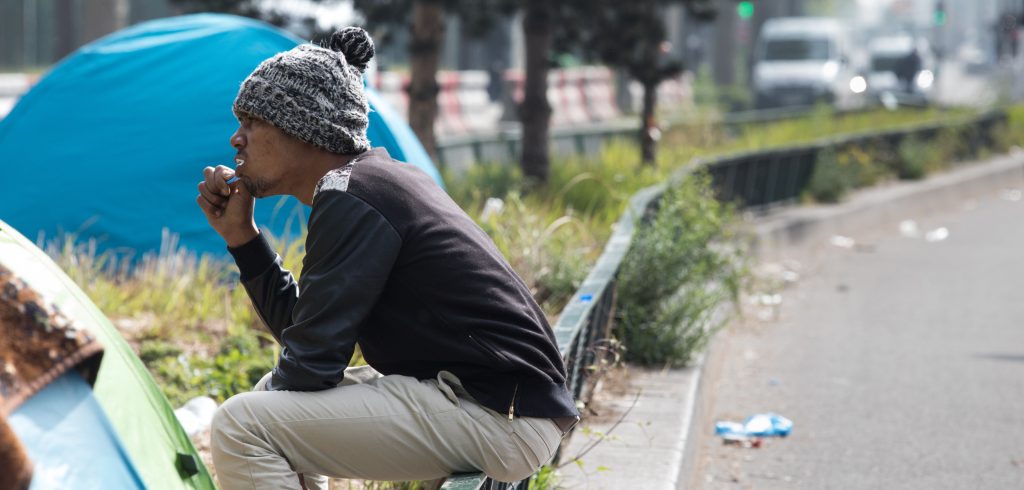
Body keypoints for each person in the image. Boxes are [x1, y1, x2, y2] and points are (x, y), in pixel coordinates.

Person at [194, 27, 579, 490]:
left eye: (252, 122)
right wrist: (243, 238)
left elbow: (311, 362)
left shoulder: (352, 195)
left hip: (499, 414)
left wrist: (295, 372)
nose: (237, 139)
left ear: (303, 127)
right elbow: (307, 338)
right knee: (261, 403)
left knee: (242, 425)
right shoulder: (372, 183)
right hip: (497, 405)